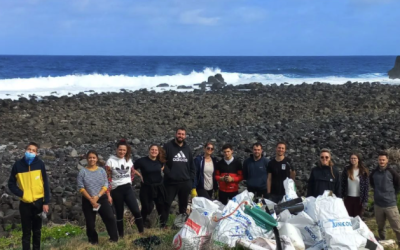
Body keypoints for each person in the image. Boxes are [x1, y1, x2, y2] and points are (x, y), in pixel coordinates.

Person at [8, 142, 50, 250]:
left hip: (39, 203)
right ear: (25, 150)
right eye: (29, 149)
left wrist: (46, 202)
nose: (31, 151)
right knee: (26, 233)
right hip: (25, 204)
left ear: (36, 153)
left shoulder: (40, 164)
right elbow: (11, 184)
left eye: (33, 150)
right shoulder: (18, 165)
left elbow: (45, 183)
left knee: (37, 231)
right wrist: (22, 194)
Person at [77, 150, 118, 244]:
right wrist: (91, 199)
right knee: (90, 224)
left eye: (94, 157)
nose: (92, 159)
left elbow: (105, 184)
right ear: (87, 159)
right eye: (90, 157)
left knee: (110, 217)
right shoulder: (82, 172)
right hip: (88, 200)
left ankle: (114, 239)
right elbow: (81, 187)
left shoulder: (101, 170)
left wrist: (97, 196)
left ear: (96, 159)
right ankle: (93, 242)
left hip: (101, 198)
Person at [105, 139, 144, 237]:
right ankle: (121, 236)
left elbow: (132, 171)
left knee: (136, 210)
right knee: (119, 214)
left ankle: (141, 232)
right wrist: (108, 193)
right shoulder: (110, 161)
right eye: (120, 150)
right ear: (116, 149)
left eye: (124, 150)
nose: (122, 152)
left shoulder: (128, 159)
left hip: (128, 188)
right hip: (116, 189)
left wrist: (131, 179)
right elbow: (107, 178)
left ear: (126, 151)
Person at [134, 145, 169, 228]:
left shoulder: (160, 161)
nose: (154, 151)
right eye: (152, 149)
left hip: (159, 187)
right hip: (146, 187)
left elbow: (163, 168)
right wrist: (139, 175)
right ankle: (141, 225)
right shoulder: (142, 161)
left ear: (158, 151)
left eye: (156, 150)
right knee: (146, 207)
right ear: (149, 150)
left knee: (161, 206)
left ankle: (163, 225)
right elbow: (132, 168)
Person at [163, 128, 195, 216]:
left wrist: (190, 179)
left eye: (183, 134)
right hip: (170, 182)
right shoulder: (168, 146)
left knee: (183, 205)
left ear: (185, 136)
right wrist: (169, 174)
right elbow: (162, 161)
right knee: (166, 203)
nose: (181, 136)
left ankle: (181, 224)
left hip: (185, 182)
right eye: (179, 134)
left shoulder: (187, 148)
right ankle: (162, 225)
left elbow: (192, 165)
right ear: (176, 134)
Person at [370, 151, 400, 243]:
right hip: (378, 205)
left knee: (397, 227)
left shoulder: (392, 172)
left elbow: (398, 184)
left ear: (387, 160)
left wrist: (392, 194)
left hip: (390, 204)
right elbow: (372, 183)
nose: (381, 161)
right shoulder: (374, 173)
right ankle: (383, 243)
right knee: (380, 227)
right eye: (380, 160)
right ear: (377, 160)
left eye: (383, 160)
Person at [341, 153, 369, 217]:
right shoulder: (346, 169)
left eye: (355, 158)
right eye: (352, 158)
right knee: (348, 216)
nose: (353, 160)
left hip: (359, 199)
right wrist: (341, 196)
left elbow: (366, 187)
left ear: (358, 159)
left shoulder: (363, 171)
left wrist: (365, 200)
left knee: (358, 217)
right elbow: (342, 183)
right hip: (348, 198)